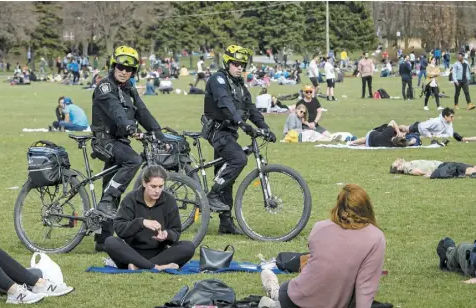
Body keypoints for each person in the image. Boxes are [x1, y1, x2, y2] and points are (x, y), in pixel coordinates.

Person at [91, 45, 170, 250]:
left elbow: (142, 111)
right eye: (120, 66)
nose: (124, 71)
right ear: (113, 65)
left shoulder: (128, 88)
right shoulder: (105, 87)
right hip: (104, 141)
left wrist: (158, 133)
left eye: (129, 69)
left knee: (113, 184)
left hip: (119, 142)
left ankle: (103, 240)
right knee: (133, 161)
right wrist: (128, 126)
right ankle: (107, 201)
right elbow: (115, 110)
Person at [260, 184, 385, 308]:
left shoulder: (320, 227)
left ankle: (274, 295)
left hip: (296, 297)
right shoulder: (376, 237)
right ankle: (274, 296)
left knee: (287, 290)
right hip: (322, 300)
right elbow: (365, 287)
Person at [203, 44, 276, 234]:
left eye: (242, 64)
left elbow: (251, 109)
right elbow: (224, 102)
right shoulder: (218, 79)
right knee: (238, 159)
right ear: (227, 63)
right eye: (235, 63)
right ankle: (211, 195)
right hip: (217, 131)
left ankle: (225, 224)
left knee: (227, 176)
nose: (239, 67)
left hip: (229, 133)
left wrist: (265, 128)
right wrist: (241, 123)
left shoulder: (240, 86)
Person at [103, 166, 195, 270]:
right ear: (144, 183)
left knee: (188, 246)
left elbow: (176, 231)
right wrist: (141, 223)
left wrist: (166, 234)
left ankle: (139, 267)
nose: (157, 191)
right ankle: (157, 267)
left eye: (161, 186)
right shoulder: (131, 199)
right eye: (153, 186)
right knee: (110, 242)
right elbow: (120, 229)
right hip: (132, 254)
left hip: (160, 255)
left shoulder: (169, 201)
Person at [390, 158, 476, 178]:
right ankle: (473, 172)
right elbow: (415, 171)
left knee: (463, 166)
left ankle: (473, 170)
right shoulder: (406, 166)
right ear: (398, 168)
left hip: (442, 165)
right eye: (396, 163)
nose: (398, 161)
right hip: (439, 168)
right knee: (458, 168)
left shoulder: (408, 164)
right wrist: (426, 173)